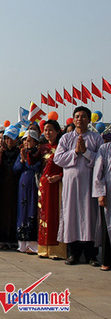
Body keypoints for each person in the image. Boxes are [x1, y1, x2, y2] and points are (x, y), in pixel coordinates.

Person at [54, 106, 103, 266]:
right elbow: (58, 159)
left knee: (90, 216)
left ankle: (91, 255)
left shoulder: (96, 138)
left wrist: (86, 151)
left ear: (89, 120)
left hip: (89, 183)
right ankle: (73, 253)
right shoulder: (66, 138)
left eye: (83, 116)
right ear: (73, 119)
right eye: (77, 116)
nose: (80, 119)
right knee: (71, 215)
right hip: (71, 186)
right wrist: (75, 151)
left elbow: (102, 160)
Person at [36, 120, 66, 260]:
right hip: (44, 185)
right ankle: (43, 248)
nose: (47, 133)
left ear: (58, 131)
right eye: (45, 130)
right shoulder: (43, 148)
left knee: (55, 215)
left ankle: (57, 250)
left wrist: (60, 177)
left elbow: (68, 167)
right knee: (43, 216)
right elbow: (34, 163)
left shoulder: (62, 147)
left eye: (50, 130)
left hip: (56, 186)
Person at [13, 130, 41, 254]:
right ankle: (22, 243)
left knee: (31, 211)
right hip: (22, 186)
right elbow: (15, 169)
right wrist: (23, 160)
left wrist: (27, 160)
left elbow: (37, 167)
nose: (26, 142)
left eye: (29, 140)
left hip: (33, 185)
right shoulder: (21, 153)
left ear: (35, 141)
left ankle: (33, 244)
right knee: (22, 212)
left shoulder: (37, 153)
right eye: (24, 140)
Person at [0, 129, 20, 250]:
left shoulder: (19, 152)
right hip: (3, 185)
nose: (9, 141)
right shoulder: (1, 153)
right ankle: (3, 239)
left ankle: (14, 239)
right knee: (3, 212)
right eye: (7, 138)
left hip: (15, 185)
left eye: (12, 138)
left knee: (14, 211)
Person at [93, 141, 111, 271]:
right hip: (108, 194)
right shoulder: (105, 148)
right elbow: (98, 171)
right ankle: (107, 260)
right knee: (107, 226)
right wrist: (101, 193)